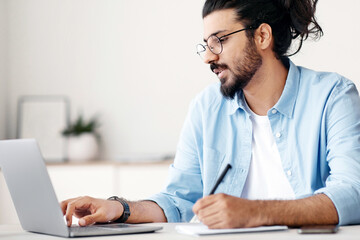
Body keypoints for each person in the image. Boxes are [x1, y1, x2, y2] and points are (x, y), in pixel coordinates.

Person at [61, 0, 360, 229]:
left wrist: (253, 212)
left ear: (262, 36)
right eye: (206, 44)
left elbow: (353, 193)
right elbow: (179, 200)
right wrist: (119, 209)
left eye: (220, 40)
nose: (208, 56)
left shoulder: (332, 95)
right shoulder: (206, 107)